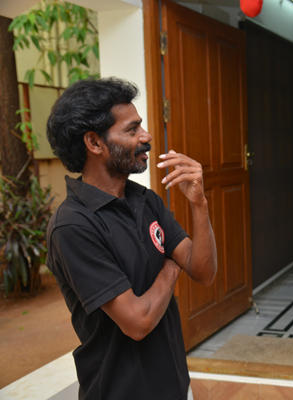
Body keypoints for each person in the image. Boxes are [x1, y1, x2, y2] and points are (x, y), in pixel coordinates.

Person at [45, 77, 217, 400]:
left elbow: (204, 272)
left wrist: (199, 204)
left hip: (174, 385)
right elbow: (138, 322)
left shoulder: (146, 200)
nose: (146, 136)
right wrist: (171, 268)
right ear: (94, 143)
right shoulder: (72, 226)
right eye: (132, 129)